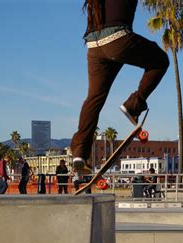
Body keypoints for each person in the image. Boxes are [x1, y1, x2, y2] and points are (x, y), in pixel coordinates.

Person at [70, 0, 169, 173]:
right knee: (160, 60)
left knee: (94, 97)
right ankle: (133, 105)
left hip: (94, 45)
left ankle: (80, 152)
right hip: (117, 39)